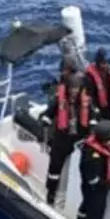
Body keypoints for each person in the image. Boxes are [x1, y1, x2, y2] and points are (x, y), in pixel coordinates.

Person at [40, 55, 91, 206]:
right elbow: (49, 113)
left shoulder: (85, 102)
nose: (74, 91)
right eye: (72, 89)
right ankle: (51, 192)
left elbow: (93, 115)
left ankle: (76, 195)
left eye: (77, 89)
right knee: (54, 167)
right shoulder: (60, 100)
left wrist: (93, 125)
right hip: (62, 139)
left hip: (79, 140)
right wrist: (45, 120)